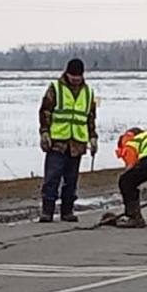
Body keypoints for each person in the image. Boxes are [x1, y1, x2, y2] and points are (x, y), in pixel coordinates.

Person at [38, 58, 98, 222]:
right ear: (67, 74)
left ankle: (67, 212)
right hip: (57, 142)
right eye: (73, 77)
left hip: (77, 144)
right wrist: (44, 132)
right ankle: (47, 212)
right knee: (52, 178)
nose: (75, 80)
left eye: (78, 78)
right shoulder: (55, 89)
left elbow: (90, 117)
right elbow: (45, 111)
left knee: (71, 181)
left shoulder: (88, 92)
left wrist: (93, 137)